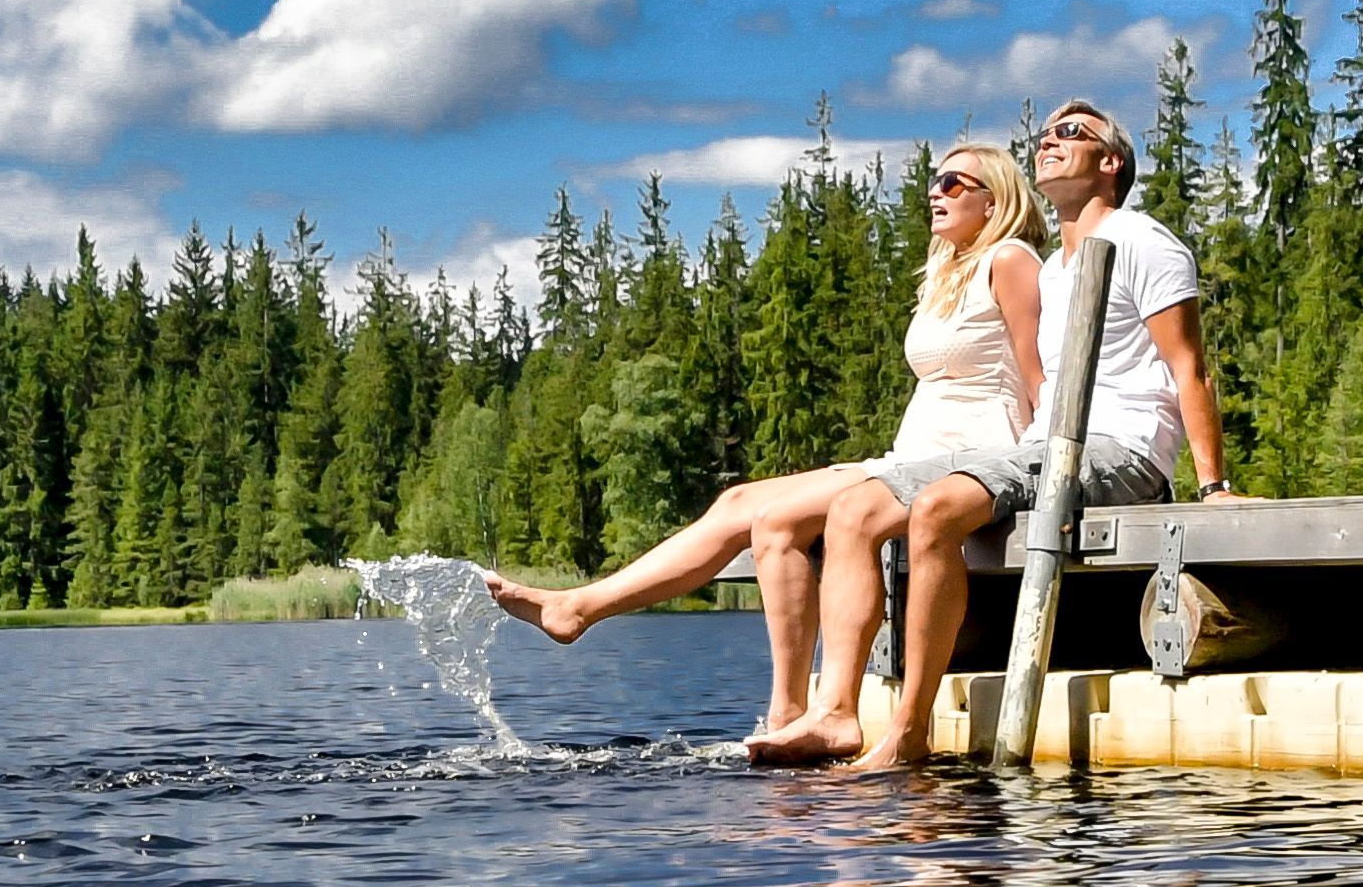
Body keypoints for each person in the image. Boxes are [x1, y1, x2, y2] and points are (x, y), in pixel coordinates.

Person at [487, 143, 1046, 745]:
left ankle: (816, 713)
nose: (935, 191)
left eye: (954, 183)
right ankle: (774, 708)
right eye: (934, 181)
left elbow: (1042, 375)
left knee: (777, 519)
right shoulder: (947, 271)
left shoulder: (1010, 260)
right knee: (741, 505)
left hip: (971, 458)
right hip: (912, 456)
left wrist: (1043, 468)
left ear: (995, 201)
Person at [761, 98, 1226, 771]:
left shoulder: (1142, 241)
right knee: (854, 509)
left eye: (1072, 133)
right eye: (1046, 134)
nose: (1050, 141)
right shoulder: (1057, 268)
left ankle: (908, 732)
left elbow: (1191, 368)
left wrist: (1213, 487)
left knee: (937, 508)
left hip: (1121, 449)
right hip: (1043, 446)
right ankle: (833, 713)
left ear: (1110, 163)